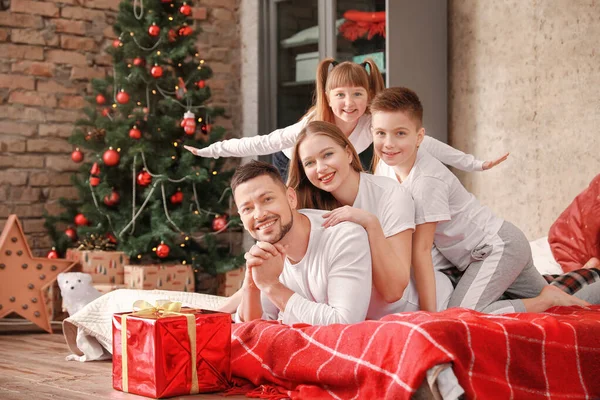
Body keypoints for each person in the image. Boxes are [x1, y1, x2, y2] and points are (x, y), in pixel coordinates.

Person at [369, 87, 598, 313]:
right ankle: (582, 283)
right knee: (561, 309)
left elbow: (421, 252)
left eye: (400, 133)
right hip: (496, 248)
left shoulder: (426, 182)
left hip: (497, 248)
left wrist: (430, 317)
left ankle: (543, 301)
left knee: (462, 313)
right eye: (380, 133)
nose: (388, 143)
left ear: (419, 137)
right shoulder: (388, 168)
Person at [184, 58, 508, 179]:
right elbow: (262, 141)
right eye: (339, 95)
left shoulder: (371, 123)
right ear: (327, 97)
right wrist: (210, 150)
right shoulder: (311, 127)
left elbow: (421, 142)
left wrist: (475, 164)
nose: (348, 103)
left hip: (331, 164)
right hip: (291, 164)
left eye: (357, 94)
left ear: (369, 96)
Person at [287, 120, 453, 315]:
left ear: (348, 153)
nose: (321, 167)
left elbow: (393, 291)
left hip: (416, 307)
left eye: (328, 155)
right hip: (359, 318)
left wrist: (370, 223)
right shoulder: (309, 212)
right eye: (309, 163)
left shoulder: (391, 195)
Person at [231, 160, 373, 325]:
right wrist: (251, 285)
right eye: (247, 209)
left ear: (291, 198)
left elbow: (344, 323)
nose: (259, 215)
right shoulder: (265, 251)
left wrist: (272, 285)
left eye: (268, 199)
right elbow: (252, 330)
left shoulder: (344, 236)